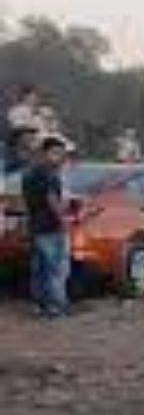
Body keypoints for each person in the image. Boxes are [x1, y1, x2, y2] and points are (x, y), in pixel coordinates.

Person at [22, 136, 72, 318]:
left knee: (39, 269)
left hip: (35, 227)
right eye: (56, 153)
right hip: (51, 228)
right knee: (56, 269)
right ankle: (56, 307)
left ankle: (39, 306)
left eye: (62, 153)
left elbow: (28, 201)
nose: (60, 157)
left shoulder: (28, 173)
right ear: (45, 153)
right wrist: (63, 220)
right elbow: (51, 199)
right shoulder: (49, 174)